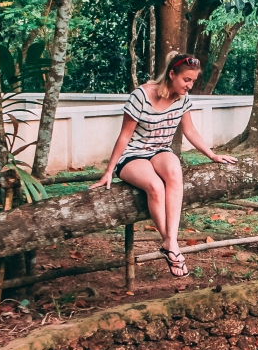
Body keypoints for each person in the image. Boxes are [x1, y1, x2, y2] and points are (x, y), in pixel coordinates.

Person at [91, 52, 237, 278]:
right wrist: (109, 171)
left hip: (160, 151)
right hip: (132, 154)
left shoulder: (182, 98)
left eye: (193, 81)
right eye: (186, 80)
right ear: (171, 74)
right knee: (155, 187)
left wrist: (212, 155)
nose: (189, 85)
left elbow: (189, 131)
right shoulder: (141, 95)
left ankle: (170, 244)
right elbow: (123, 136)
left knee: (173, 170)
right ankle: (172, 245)